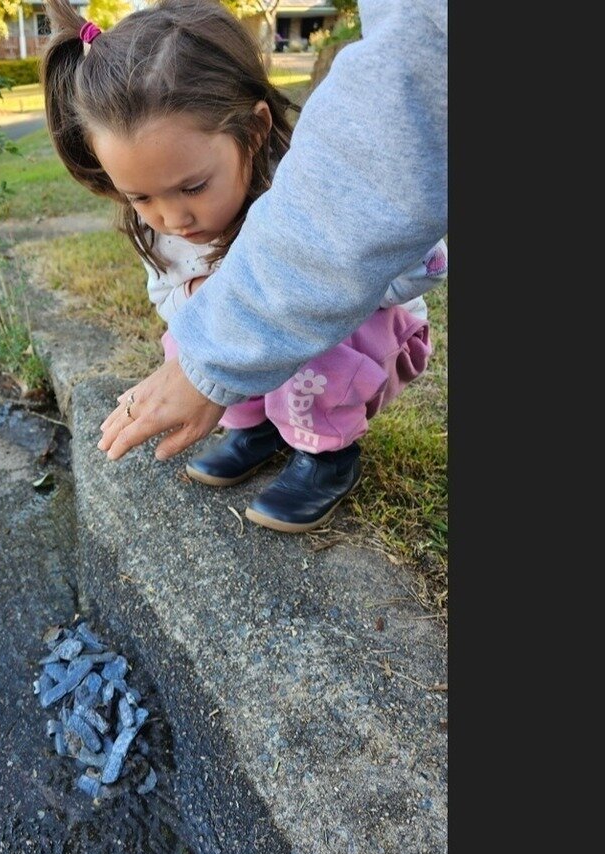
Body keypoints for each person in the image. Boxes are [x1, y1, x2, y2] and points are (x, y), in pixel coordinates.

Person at [41, 0, 447, 532]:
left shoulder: (306, 195)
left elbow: (400, 269)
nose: (173, 217)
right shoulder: (160, 225)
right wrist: (204, 302)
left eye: (193, 187)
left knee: (302, 345)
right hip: (270, 345)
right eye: (140, 196)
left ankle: (328, 455)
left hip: (362, 334)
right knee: (190, 331)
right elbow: (168, 295)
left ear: (253, 132)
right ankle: (255, 427)